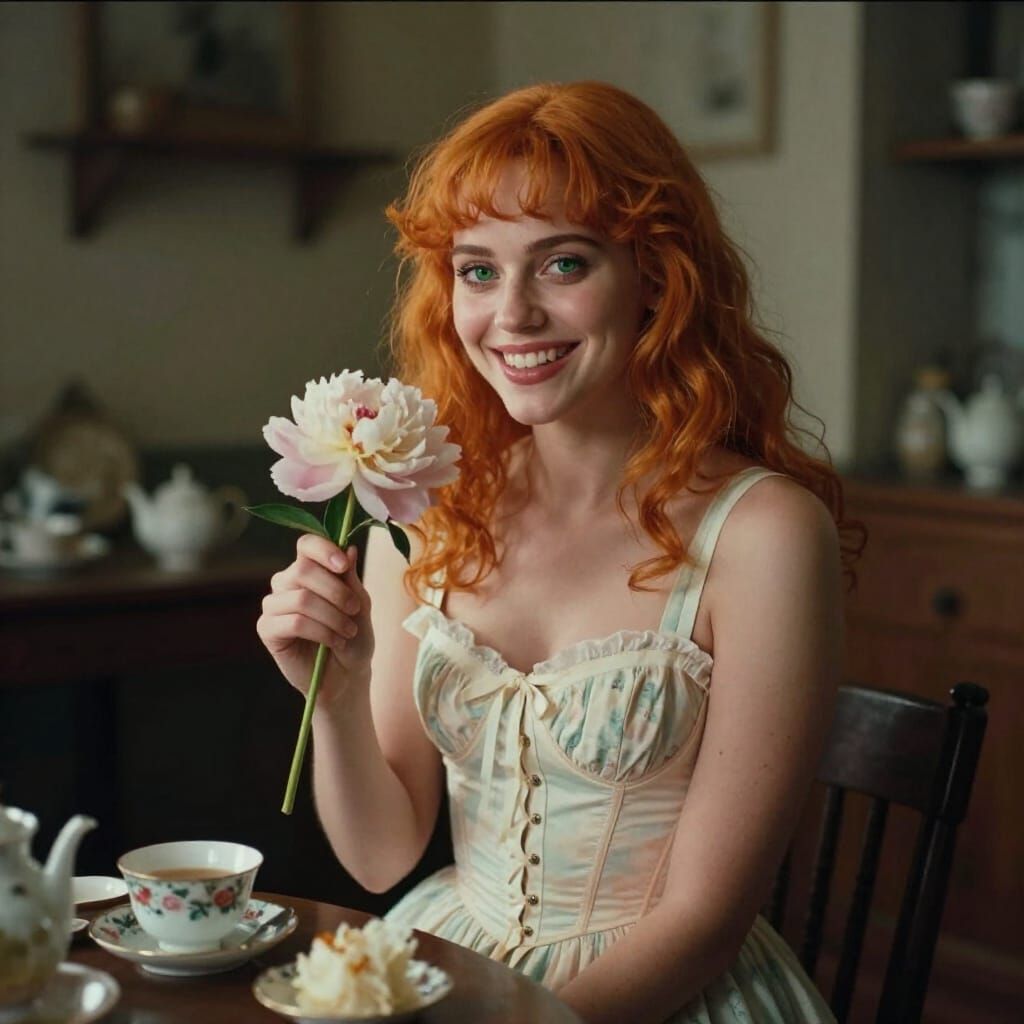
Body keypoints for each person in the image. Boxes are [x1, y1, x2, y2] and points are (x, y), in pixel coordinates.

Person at [257, 81, 862, 1024]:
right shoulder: (424, 511)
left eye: (563, 264)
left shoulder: (766, 535)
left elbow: (705, 920)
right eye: (478, 270)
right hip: (449, 958)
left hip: (662, 993)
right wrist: (333, 691)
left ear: (657, 274)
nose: (513, 316)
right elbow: (381, 856)